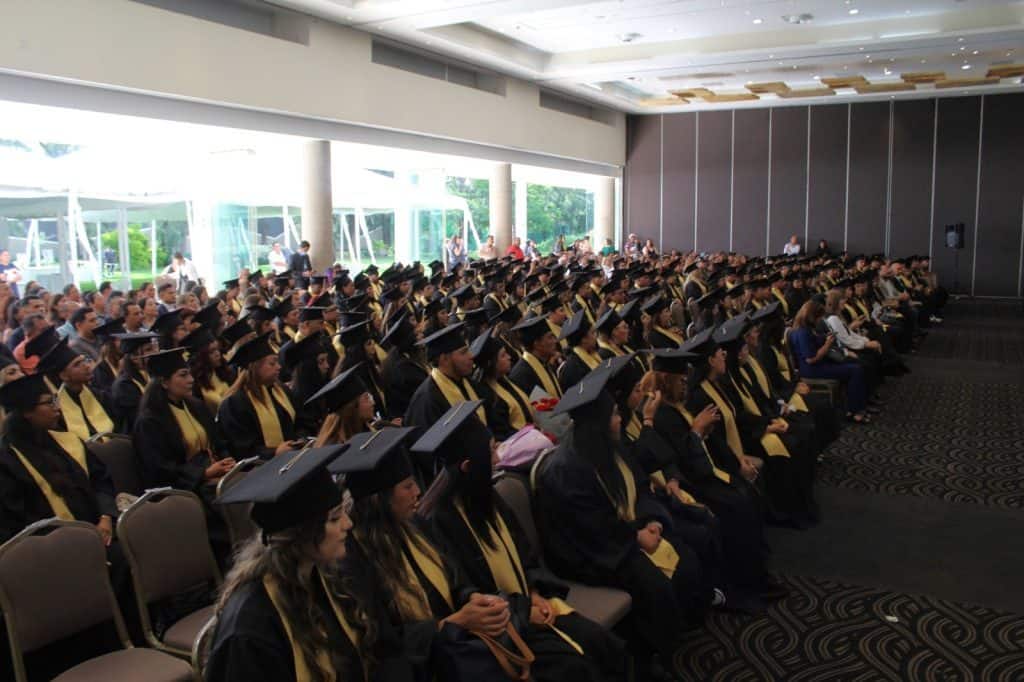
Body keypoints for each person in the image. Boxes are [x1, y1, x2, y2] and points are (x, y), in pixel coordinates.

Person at [419, 400, 627, 681]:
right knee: (576, 668)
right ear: (468, 466)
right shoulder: (440, 524)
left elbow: (524, 553)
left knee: (604, 644)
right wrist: (522, 611)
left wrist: (535, 593)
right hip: (504, 628)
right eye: (490, 451)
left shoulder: (486, 496)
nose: (496, 459)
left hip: (529, 603)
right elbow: (467, 591)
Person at [533, 365, 710, 680]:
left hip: (620, 534)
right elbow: (590, 529)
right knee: (653, 585)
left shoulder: (606, 447)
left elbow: (639, 486)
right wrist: (636, 537)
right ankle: (651, 660)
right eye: (614, 415)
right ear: (599, 424)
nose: (619, 419)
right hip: (590, 554)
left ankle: (678, 633)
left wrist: (651, 519)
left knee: (685, 553)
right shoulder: (567, 469)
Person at [206, 443, 411, 682]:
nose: (348, 524)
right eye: (335, 518)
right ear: (301, 534)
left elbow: (380, 650)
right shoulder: (250, 631)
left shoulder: (326, 575)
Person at [338, 425, 518, 682]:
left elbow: (455, 578)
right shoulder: (353, 560)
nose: (418, 493)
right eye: (407, 487)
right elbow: (383, 641)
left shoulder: (417, 526)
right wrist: (452, 624)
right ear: (380, 500)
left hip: (458, 647)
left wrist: (472, 598)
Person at [132, 348, 234, 563]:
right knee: (227, 513)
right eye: (182, 375)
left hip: (213, 477)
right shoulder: (150, 421)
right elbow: (159, 468)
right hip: (183, 490)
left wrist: (226, 460)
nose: (190, 379)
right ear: (164, 382)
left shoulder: (196, 406)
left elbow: (218, 441)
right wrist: (203, 474)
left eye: (189, 373)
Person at [0, 373, 116, 543]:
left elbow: (101, 480)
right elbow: (17, 520)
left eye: (56, 399)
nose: (58, 408)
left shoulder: (67, 440)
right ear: (27, 412)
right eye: (49, 402)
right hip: (54, 549)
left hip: (102, 531)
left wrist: (106, 517)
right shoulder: (7, 461)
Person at [217, 334, 306, 460]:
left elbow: (300, 421)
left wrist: (299, 440)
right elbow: (240, 448)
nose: (279, 367)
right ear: (255, 367)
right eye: (272, 363)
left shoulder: (282, 391)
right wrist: (274, 452)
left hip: (294, 457)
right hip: (261, 470)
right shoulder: (234, 404)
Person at [790, 299, 869, 423]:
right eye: (819, 317)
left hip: (820, 364)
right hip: (812, 370)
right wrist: (827, 344)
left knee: (855, 364)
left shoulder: (807, 328)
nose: (820, 320)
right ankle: (855, 411)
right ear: (812, 316)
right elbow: (811, 359)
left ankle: (855, 405)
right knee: (855, 370)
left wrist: (825, 339)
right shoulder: (803, 332)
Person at [38, 337, 115, 440]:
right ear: (64, 376)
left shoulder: (99, 396)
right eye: (77, 364)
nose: (87, 366)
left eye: (84, 360)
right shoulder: (58, 411)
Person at [470, 328, 534, 441]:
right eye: (503, 355)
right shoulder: (487, 395)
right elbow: (502, 433)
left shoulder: (504, 380)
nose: (509, 357)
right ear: (491, 363)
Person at [110, 332, 158, 433]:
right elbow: (138, 418)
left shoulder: (149, 375)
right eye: (148, 350)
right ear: (134, 358)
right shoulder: (124, 386)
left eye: (153, 348)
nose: (155, 352)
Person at [508, 315, 563, 399]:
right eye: (550, 337)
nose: (555, 341)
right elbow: (546, 410)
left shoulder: (544, 362)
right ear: (537, 344)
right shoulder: (522, 376)